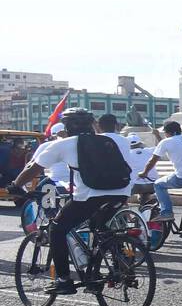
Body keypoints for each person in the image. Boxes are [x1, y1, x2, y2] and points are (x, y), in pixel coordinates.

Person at [7, 109, 134, 295]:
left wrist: (15, 185)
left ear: (67, 126)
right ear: (92, 124)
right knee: (98, 229)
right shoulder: (108, 141)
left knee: (57, 229)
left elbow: (33, 168)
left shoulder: (63, 144)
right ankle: (105, 270)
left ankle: (63, 280)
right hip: (121, 193)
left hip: (90, 196)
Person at [140, 120, 182, 225]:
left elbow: (152, 161)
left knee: (158, 184)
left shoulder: (166, 142)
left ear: (167, 133)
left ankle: (166, 212)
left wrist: (144, 172)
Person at [125, 133, 158, 201]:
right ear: (140, 143)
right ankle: (146, 206)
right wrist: (157, 134)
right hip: (152, 184)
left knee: (122, 196)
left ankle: (125, 206)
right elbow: (161, 145)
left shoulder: (126, 154)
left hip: (135, 185)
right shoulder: (149, 151)